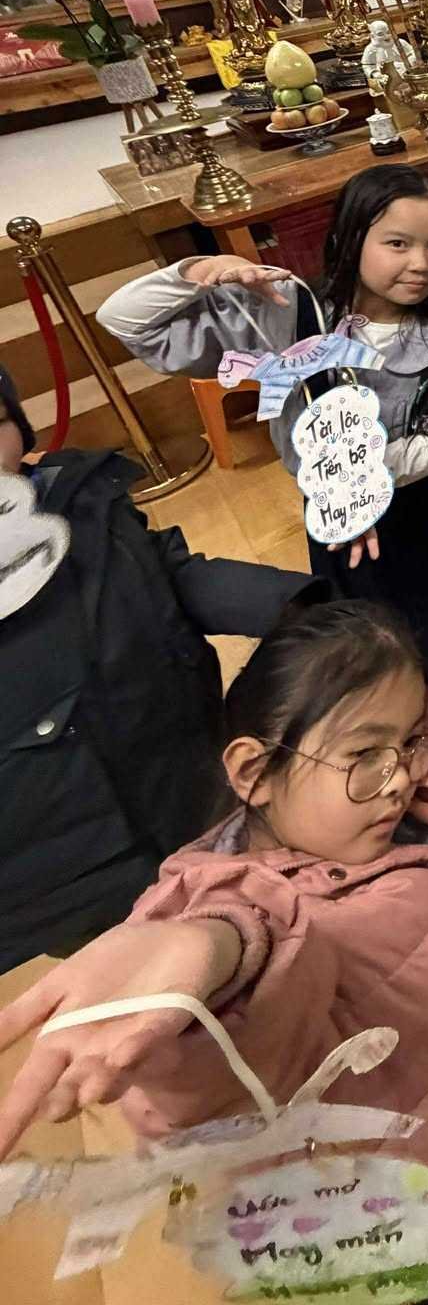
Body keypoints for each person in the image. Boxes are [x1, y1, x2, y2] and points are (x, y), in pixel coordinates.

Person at [0, 599, 428, 1305]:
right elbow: (251, 964)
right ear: (254, 771)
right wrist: (210, 951)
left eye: (411, 740)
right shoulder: (231, 902)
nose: (399, 777)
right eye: (364, 754)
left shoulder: (398, 807)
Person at [96, 163, 428, 743]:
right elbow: (124, 320)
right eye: (397, 244)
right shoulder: (288, 312)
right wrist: (195, 271)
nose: (420, 263)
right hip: (355, 532)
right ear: (349, 239)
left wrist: (373, 468)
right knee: (404, 663)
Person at [0, 365, 323, 972]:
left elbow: (168, 573)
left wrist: (297, 605)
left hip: (192, 777)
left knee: (272, 935)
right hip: (83, 875)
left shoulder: (74, 495)